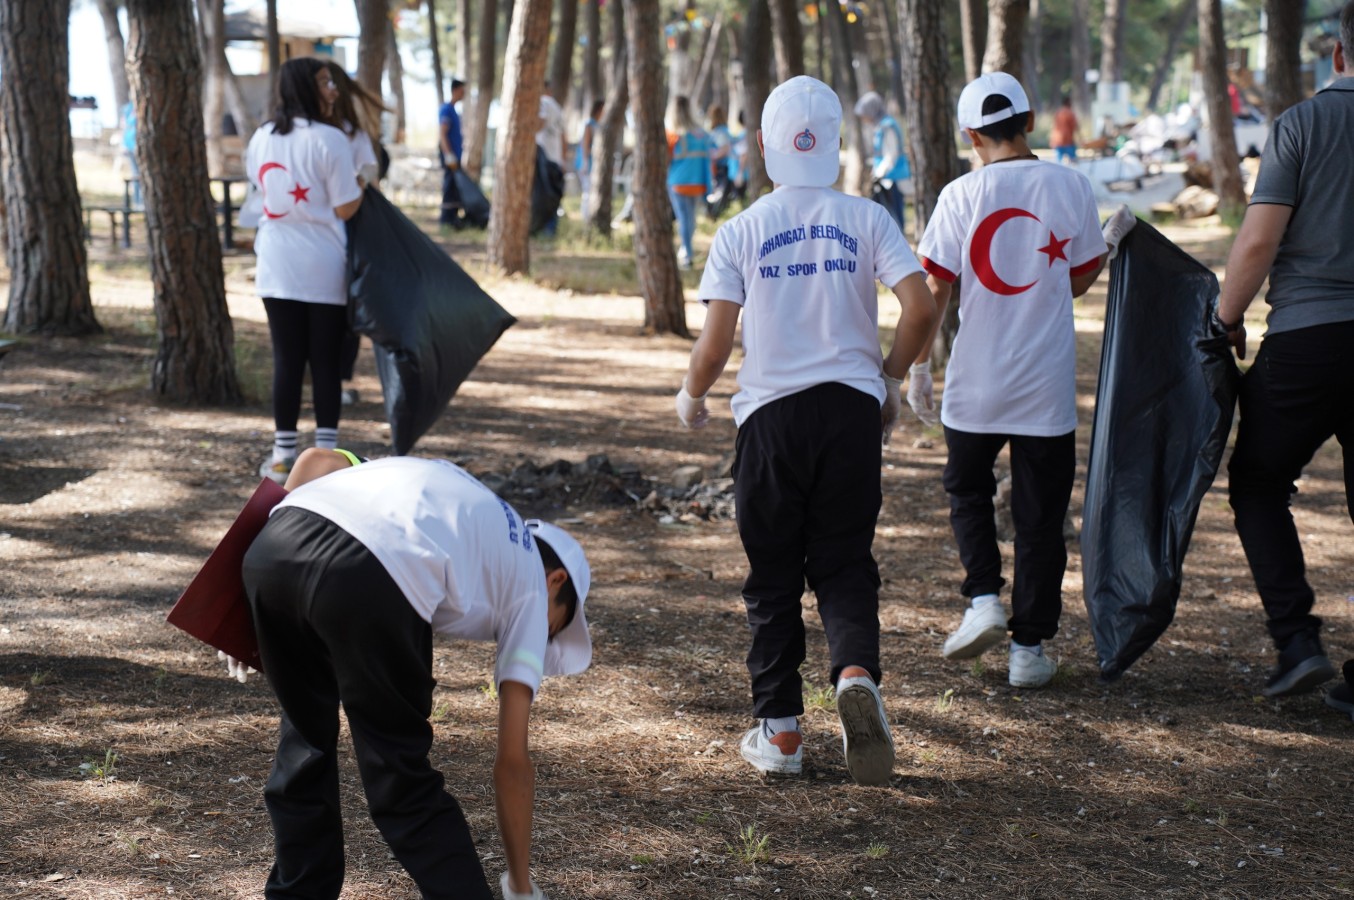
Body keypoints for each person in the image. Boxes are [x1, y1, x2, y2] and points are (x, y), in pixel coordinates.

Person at [674, 76, 938, 785]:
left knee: (772, 579)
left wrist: (691, 395)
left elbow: (715, 345)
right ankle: (855, 674)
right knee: (844, 563)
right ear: (836, 145)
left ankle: (782, 734)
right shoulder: (868, 218)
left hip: (770, 420)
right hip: (851, 413)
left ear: (763, 146)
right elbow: (921, 306)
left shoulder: (741, 230)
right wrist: (887, 375)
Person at [232, 448, 590, 899]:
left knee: (303, 747)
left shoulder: (459, 490)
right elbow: (513, 764)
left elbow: (318, 460)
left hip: (274, 548)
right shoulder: (533, 593)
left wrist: (239, 607)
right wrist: (520, 886)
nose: (547, 639)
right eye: (558, 628)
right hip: (375, 570)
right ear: (556, 581)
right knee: (400, 777)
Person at [910, 72, 1135, 688]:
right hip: (1045, 383)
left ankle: (983, 598)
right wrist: (1109, 246)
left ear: (970, 136)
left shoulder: (959, 195)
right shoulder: (1070, 186)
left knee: (968, 492)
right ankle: (1029, 650)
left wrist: (920, 365)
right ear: (1030, 123)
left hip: (975, 381)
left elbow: (934, 288)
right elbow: (1076, 282)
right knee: (1040, 520)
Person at [1215, 2, 1354, 700]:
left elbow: (1260, 239)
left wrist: (1227, 317)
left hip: (1308, 341)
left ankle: (1297, 641)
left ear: (1336, 54)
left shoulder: (1302, 125)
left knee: (1258, 483)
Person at [246, 58, 364, 484]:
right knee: (326, 361)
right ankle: (327, 457)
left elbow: (259, 190)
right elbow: (345, 206)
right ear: (304, 88)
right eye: (325, 82)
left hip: (276, 262)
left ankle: (282, 456)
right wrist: (362, 186)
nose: (332, 88)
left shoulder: (261, 137)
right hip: (322, 264)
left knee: (287, 359)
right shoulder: (330, 139)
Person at [324, 61, 387, 407]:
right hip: (311, 239)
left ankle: (336, 380)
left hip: (348, 232)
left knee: (344, 314)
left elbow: (368, 174)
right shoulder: (299, 132)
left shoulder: (353, 134)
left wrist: (355, 187)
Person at [666, 95, 713, 269]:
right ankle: (686, 249)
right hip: (698, 183)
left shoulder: (673, 135)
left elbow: (666, 160)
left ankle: (686, 252)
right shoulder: (702, 135)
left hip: (678, 183)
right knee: (690, 219)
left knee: (683, 218)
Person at [852, 91, 909, 233]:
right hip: (884, 179)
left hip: (892, 180)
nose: (864, 118)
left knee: (894, 217)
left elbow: (891, 154)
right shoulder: (879, 126)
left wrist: (879, 173)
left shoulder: (887, 126)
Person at [536, 88, 567, 235]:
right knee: (553, 195)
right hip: (555, 158)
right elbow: (564, 137)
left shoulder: (543, 102)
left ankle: (545, 229)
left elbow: (539, 123)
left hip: (545, 157)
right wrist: (563, 159)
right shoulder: (557, 107)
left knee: (544, 195)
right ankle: (550, 228)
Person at [438, 79, 467, 231]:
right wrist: (448, 155)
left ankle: (452, 218)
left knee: (454, 187)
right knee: (449, 187)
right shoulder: (446, 110)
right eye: (462, 91)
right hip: (450, 157)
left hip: (455, 156)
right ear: (455, 90)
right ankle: (445, 219)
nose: (464, 94)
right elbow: (443, 134)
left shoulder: (454, 111)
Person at [705, 103, 734, 217]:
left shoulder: (719, 132)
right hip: (724, 167)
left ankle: (715, 215)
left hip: (721, 167)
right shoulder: (724, 130)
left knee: (719, 194)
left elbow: (725, 148)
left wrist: (712, 156)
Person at [576, 99, 605, 207]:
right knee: (587, 189)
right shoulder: (589, 124)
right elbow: (585, 144)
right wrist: (585, 161)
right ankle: (586, 213)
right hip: (587, 161)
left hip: (593, 161)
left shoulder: (598, 124)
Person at [1050, 94, 1079, 165]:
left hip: (1057, 141)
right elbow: (1076, 127)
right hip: (1067, 141)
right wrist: (1081, 139)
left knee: (1058, 162)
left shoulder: (1058, 112)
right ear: (1069, 103)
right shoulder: (1070, 113)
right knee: (1074, 162)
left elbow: (1054, 126)